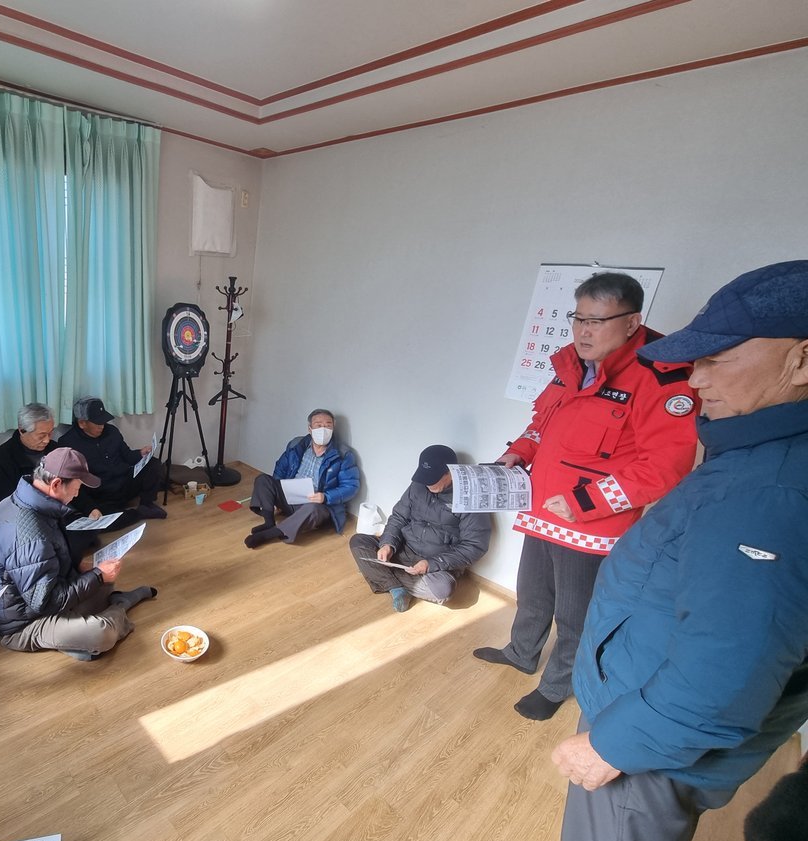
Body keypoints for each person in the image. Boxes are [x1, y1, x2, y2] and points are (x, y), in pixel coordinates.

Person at [537, 260, 808, 841]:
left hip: (651, 736)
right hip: (637, 693)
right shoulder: (754, 451)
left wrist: (612, 745)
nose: (697, 376)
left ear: (802, 361)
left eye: (719, 358)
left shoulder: (770, 493)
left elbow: (726, 672)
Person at [473, 272, 699, 721]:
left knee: (576, 615)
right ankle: (521, 652)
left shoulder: (660, 378)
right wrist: (518, 453)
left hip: (589, 524)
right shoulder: (571, 366)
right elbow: (542, 424)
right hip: (543, 506)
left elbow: (664, 468)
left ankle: (557, 686)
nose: (583, 331)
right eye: (578, 319)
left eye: (596, 321)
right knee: (532, 593)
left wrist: (584, 503)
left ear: (632, 322)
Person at [0, 448, 157, 660]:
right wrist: (97, 576)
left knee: (104, 581)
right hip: (22, 624)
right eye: (76, 489)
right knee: (102, 633)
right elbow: (45, 602)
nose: (76, 495)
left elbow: (46, 562)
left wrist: (80, 567)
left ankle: (84, 632)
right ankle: (120, 606)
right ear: (56, 484)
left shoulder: (23, 501)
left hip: (40, 594)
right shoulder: (31, 535)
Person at [348, 445, 491, 611]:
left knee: (443, 590)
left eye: (433, 479)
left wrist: (431, 564)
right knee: (358, 541)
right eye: (425, 477)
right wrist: (387, 544)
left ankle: (380, 574)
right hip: (404, 549)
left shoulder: (470, 498)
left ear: (451, 472)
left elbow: (474, 546)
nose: (427, 483)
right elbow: (399, 516)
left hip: (436, 564)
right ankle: (396, 587)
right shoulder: (418, 485)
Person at [246, 408, 360, 549]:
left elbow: (351, 486)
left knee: (314, 509)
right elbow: (280, 469)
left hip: (316, 503)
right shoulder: (297, 444)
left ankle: (270, 534)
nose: (323, 429)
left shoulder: (343, 454)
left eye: (328, 425)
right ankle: (269, 522)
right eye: (318, 425)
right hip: (291, 495)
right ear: (310, 429)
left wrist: (325, 497)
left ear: (333, 427)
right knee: (263, 479)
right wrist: (274, 495)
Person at [56, 397, 167, 520]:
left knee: (154, 464)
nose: (102, 426)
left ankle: (147, 504)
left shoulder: (112, 431)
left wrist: (140, 453)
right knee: (105, 521)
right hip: (101, 494)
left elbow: (127, 456)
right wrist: (90, 508)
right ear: (82, 423)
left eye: (103, 421)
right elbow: (71, 483)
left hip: (124, 483)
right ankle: (136, 514)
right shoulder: (68, 444)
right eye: (97, 423)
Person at [0, 402, 59, 514]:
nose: (47, 440)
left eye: (50, 434)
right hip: (22, 516)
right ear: (22, 430)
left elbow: (71, 485)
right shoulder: (2, 459)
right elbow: (2, 505)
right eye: (41, 436)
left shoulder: (56, 450)